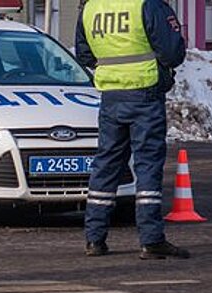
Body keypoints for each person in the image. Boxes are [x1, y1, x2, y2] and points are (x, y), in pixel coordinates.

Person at [75, 0, 190, 260]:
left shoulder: (92, 8)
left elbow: (84, 54)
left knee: (106, 164)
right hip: (145, 92)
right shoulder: (146, 5)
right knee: (147, 165)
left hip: (111, 95)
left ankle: (94, 239)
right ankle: (151, 240)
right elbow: (172, 52)